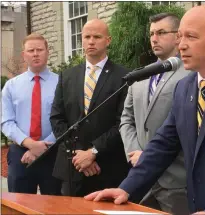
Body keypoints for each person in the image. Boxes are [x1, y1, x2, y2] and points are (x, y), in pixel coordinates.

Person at [84, 5, 205, 215]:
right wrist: (126, 188)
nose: (181, 45)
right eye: (180, 36)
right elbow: (163, 143)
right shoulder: (184, 87)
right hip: (199, 205)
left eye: (191, 37)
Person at [50, 19, 130, 197]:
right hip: (73, 168)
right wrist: (80, 155)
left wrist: (94, 152)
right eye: (86, 37)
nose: (91, 41)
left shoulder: (124, 77)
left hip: (108, 168)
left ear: (108, 40)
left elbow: (123, 122)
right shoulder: (67, 76)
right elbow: (57, 119)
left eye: (97, 36)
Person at [120, 13, 190, 215]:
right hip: (141, 179)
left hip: (175, 181)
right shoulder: (141, 74)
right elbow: (126, 119)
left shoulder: (191, 74)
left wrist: (149, 156)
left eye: (161, 32)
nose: (154, 38)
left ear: (178, 36)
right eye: (151, 33)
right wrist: (135, 153)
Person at [1, 33, 61, 195]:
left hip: (53, 153)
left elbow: (66, 119)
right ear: (24, 55)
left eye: (40, 49)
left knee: (54, 206)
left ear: (48, 52)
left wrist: (43, 146)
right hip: (21, 154)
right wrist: (31, 144)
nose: (35, 54)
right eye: (31, 50)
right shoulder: (11, 86)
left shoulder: (62, 83)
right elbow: (6, 122)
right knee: (20, 205)